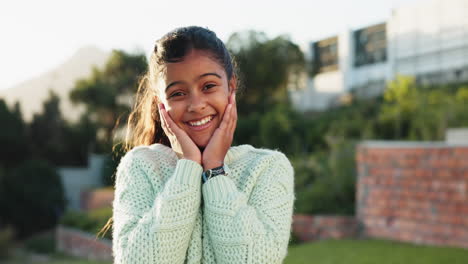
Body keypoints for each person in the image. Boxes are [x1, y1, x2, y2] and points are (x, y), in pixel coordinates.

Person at [111, 26, 295, 264]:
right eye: (178, 93)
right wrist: (188, 167)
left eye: (208, 86)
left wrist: (215, 170)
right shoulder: (140, 166)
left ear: (231, 87)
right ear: (160, 104)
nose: (196, 105)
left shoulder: (268, 168)